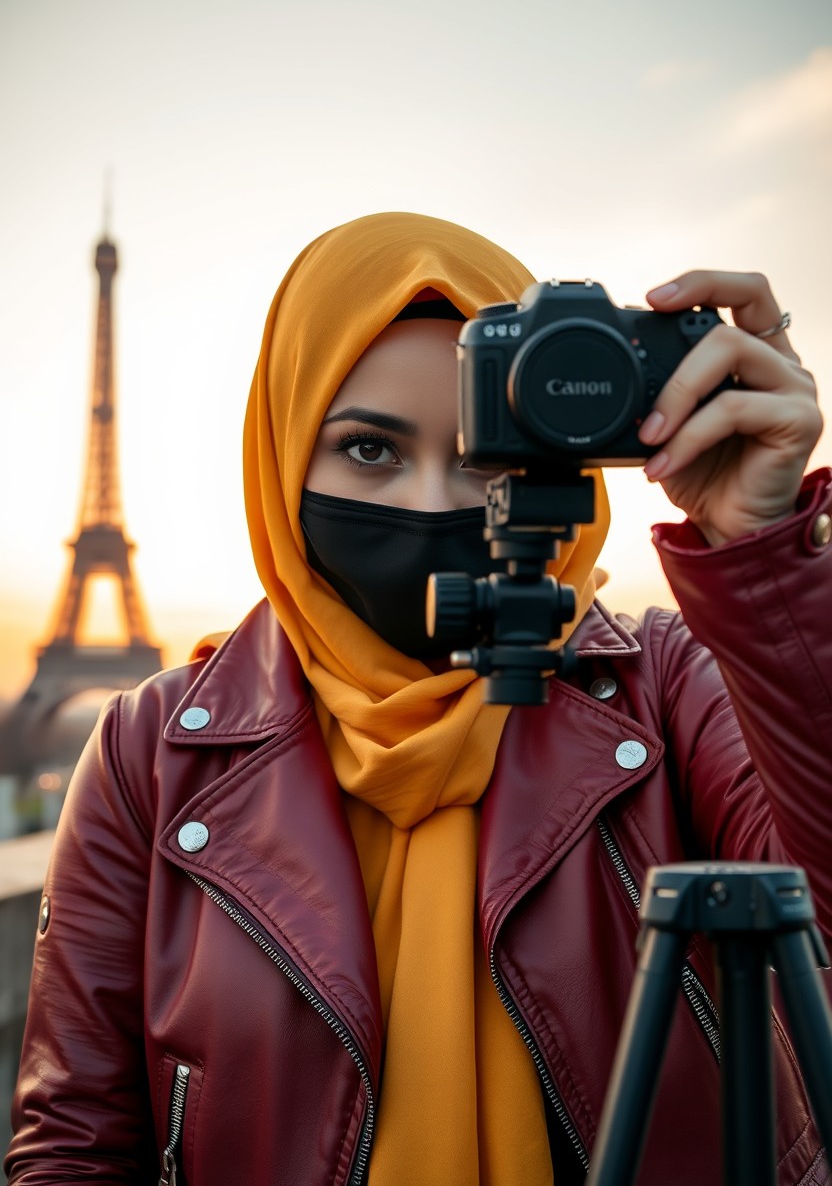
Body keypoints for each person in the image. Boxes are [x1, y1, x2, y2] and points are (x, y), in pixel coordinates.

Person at [5, 212, 831, 1186]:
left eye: (486, 451)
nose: (435, 500)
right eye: (368, 450)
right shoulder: (151, 749)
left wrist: (764, 561)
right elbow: (75, 1144)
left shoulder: (669, 690)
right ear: (281, 454)